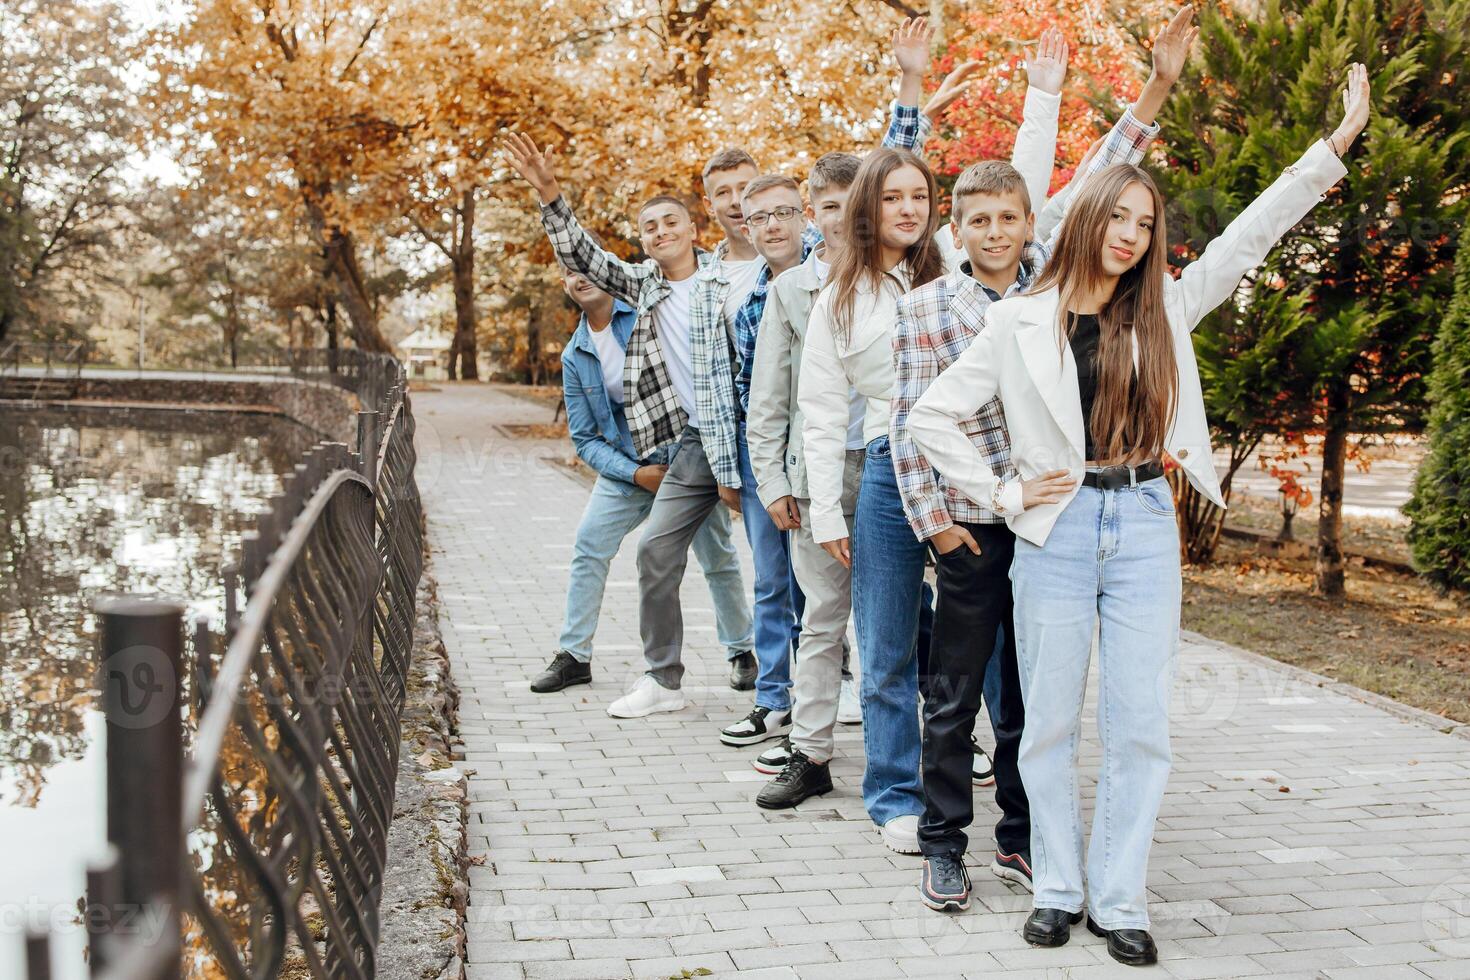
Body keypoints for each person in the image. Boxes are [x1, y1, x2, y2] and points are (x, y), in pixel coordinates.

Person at [909, 63, 1370, 965]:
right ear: (1086, 221)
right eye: (1116, 217)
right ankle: (1056, 887)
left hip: (1146, 522)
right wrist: (1004, 494)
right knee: (1043, 720)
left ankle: (1119, 900)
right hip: (1060, 525)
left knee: (1138, 723)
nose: (1128, 234)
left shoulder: (1165, 302)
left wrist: (1332, 150)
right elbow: (931, 415)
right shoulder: (1021, 320)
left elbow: (1248, 238)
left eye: (1144, 223)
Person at [891, 9, 1197, 915]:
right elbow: (915, 417)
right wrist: (939, 524)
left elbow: (1109, 173)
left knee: (1033, 702)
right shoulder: (929, 308)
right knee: (952, 697)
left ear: (1031, 221)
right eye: (975, 218)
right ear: (955, 229)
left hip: (1055, 527)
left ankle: (1028, 844)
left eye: (1008, 216)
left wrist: (1155, 88)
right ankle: (943, 843)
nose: (994, 230)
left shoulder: (1051, 283)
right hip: (972, 529)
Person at [794, 32, 1068, 855]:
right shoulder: (836, 297)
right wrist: (824, 511)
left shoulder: (947, 265)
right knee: (882, 646)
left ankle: (987, 765)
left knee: (979, 641)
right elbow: (818, 406)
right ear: (867, 208)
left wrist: (1042, 97)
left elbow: (1018, 187)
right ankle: (894, 797)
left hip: (974, 474)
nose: (908, 209)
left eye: (921, 198)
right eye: (893, 199)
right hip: (885, 478)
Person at [727, 17, 979, 768]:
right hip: (831, 471)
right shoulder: (800, 291)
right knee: (828, 617)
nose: (839, 214)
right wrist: (773, 481)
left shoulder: (932, 277)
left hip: (923, 467)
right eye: (826, 205)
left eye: (849, 202)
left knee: (912, 620)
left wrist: (911, 83)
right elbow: (777, 400)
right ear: (817, 215)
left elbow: (903, 159)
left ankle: (944, 739)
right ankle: (810, 749)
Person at [501, 134, 761, 720]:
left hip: (752, 433)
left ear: (695, 229)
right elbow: (585, 258)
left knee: (777, 561)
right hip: (692, 444)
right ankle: (663, 681)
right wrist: (549, 193)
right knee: (655, 552)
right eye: (650, 227)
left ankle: (790, 674)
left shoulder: (734, 277)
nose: (661, 231)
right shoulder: (643, 288)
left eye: (672, 221)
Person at [533, 266, 755, 693]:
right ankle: (574, 655)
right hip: (628, 467)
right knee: (588, 545)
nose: (579, 277)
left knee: (718, 557)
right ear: (563, 285)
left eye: (586, 268)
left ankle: (741, 650)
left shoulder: (645, 316)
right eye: (567, 272)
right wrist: (635, 473)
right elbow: (584, 439)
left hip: (686, 459)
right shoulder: (575, 354)